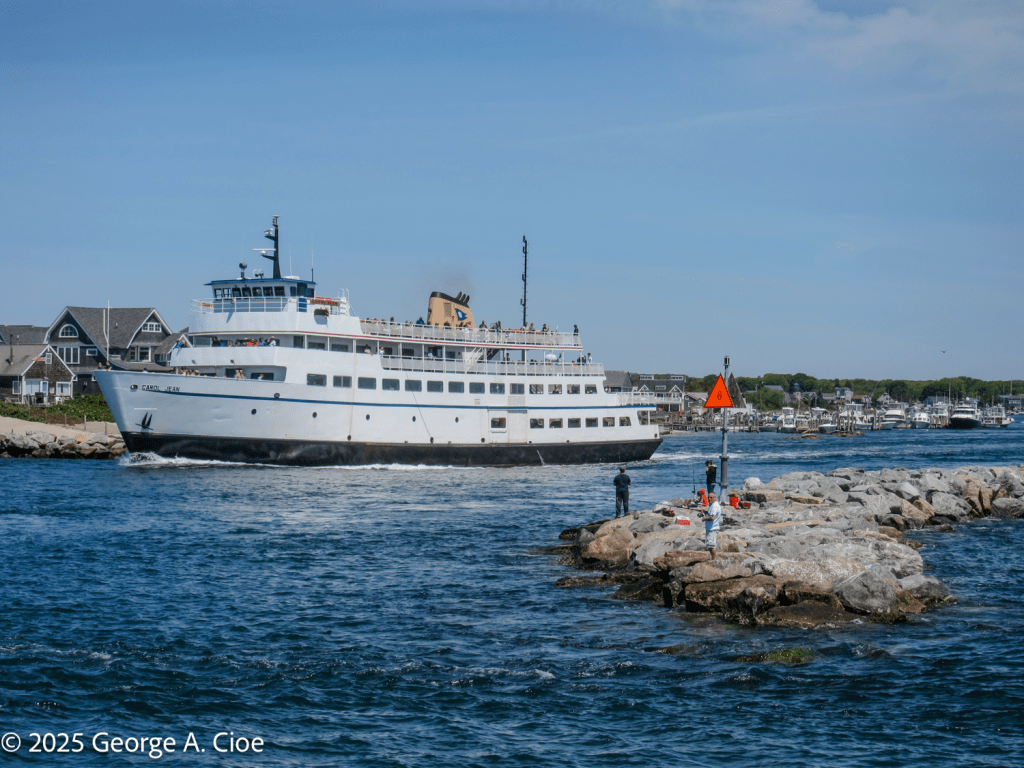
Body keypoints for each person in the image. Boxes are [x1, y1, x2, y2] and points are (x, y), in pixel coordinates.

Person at [701, 492, 722, 559]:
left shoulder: (714, 506)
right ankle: (713, 558)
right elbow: (711, 515)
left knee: (712, 545)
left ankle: (714, 559)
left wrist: (705, 519)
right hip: (711, 528)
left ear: (715, 498)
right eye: (708, 497)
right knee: (710, 545)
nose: (709, 499)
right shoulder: (713, 505)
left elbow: (712, 518)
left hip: (712, 528)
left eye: (711, 497)